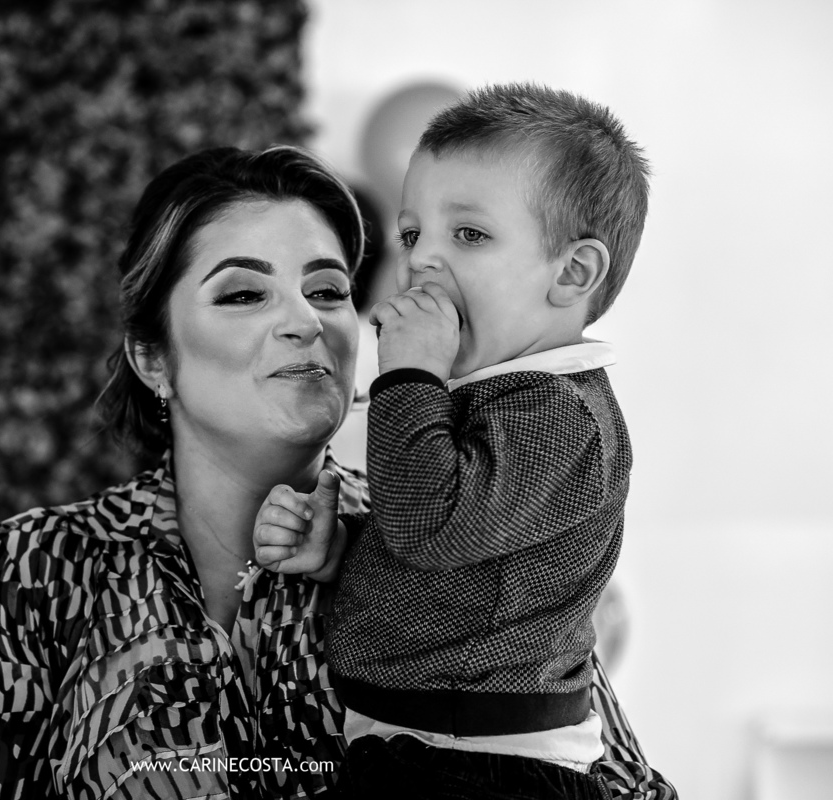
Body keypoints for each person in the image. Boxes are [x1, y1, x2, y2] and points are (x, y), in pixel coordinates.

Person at [0, 144, 673, 799]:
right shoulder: (40, 564)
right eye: (245, 294)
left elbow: (613, 779)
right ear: (153, 357)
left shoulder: (455, 532)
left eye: (328, 292)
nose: (306, 321)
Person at [254, 84, 650, 798]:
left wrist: (408, 373)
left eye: (468, 234)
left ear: (573, 273)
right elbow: (460, 567)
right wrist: (344, 549)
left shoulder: (559, 415)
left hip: (483, 767)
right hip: (429, 746)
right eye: (411, 236)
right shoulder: (497, 396)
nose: (421, 262)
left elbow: (430, 526)